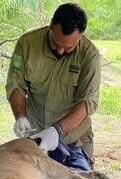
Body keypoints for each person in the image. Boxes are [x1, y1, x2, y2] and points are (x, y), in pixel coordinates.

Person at [6, 3, 101, 167]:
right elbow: (16, 84)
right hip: (36, 137)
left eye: (69, 47)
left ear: (80, 36)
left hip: (74, 139)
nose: (61, 50)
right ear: (51, 26)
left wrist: (57, 129)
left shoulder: (90, 55)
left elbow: (88, 101)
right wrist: (20, 116)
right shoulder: (27, 43)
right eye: (56, 43)